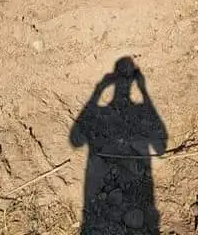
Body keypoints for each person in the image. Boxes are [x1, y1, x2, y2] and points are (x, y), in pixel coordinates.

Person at [70, 57, 167, 234]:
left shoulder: (107, 111)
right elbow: (161, 148)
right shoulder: (136, 110)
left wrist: (97, 91)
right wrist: (144, 92)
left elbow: (76, 140)